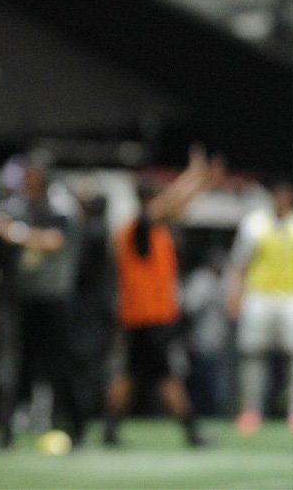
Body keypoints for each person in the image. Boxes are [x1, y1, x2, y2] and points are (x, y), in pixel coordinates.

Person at [103, 145, 223, 448]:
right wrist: (194, 173)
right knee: (166, 377)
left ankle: (110, 430)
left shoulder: (151, 229)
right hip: (149, 316)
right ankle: (192, 432)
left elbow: (179, 205)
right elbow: (171, 202)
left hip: (142, 316)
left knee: (131, 375)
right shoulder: (139, 226)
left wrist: (202, 183)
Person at [0, 156, 84, 448]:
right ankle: (5, 431)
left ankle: (76, 429)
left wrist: (15, 232)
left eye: (32, 176)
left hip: (55, 298)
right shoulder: (20, 207)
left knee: (60, 367)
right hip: (25, 297)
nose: (27, 182)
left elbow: (54, 241)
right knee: (18, 367)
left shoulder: (61, 207)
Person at [225, 178, 293, 434]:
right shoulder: (254, 224)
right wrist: (235, 295)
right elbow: (240, 263)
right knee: (253, 355)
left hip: (291, 298)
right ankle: (251, 410)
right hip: (259, 297)